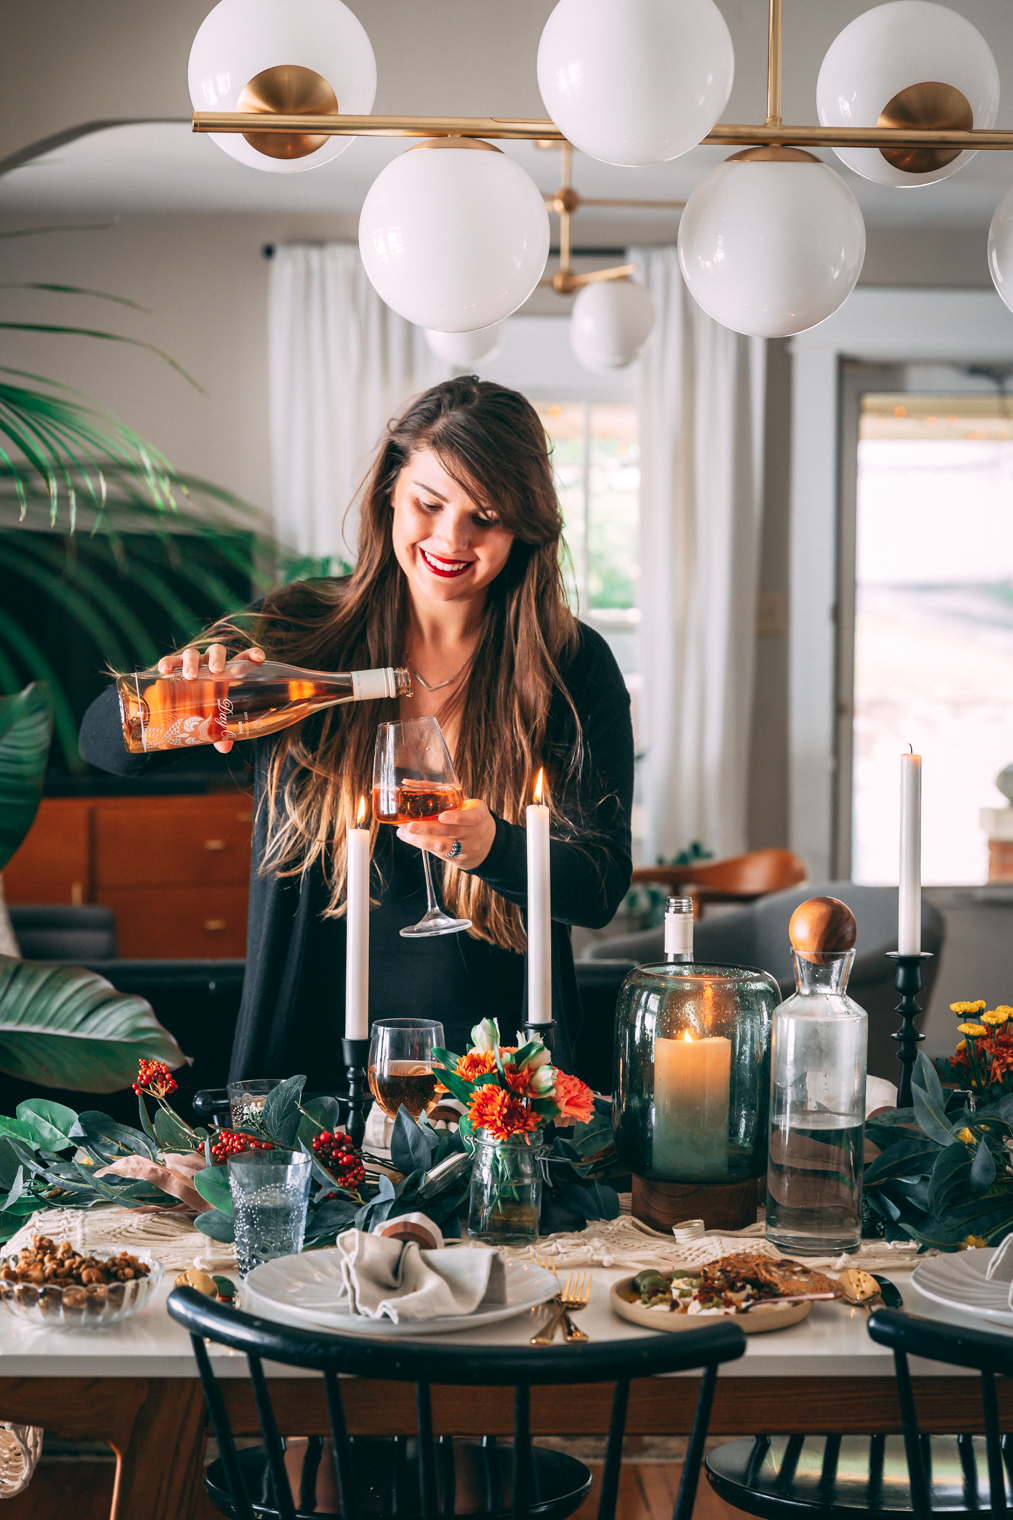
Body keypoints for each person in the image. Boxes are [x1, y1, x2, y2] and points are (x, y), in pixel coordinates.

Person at [80, 378, 634, 1085]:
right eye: (429, 505)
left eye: (484, 517)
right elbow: (101, 744)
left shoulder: (571, 666)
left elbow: (599, 886)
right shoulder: (300, 632)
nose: (449, 539)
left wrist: (491, 842)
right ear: (390, 494)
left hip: (501, 1082)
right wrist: (172, 699)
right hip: (309, 1072)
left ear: (523, 527)